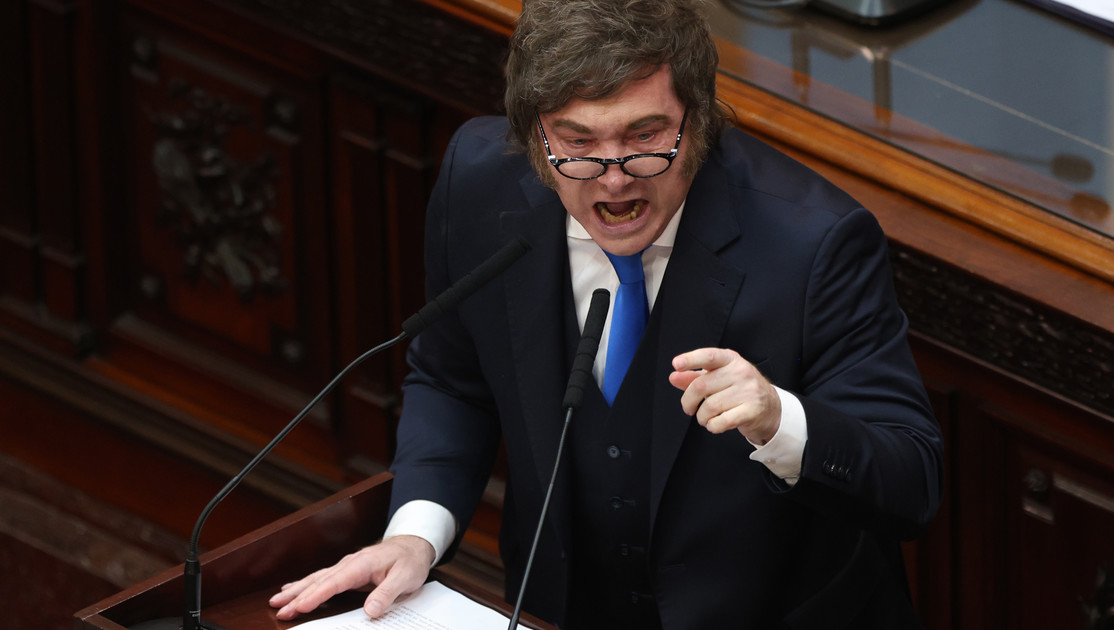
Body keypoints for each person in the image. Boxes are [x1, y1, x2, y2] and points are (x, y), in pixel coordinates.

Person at [270, 0, 943, 628]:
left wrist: (779, 420)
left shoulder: (813, 242)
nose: (614, 178)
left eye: (645, 136)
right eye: (577, 141)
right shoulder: (479, 182)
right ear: (534, 133)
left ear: (698, 119)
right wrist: (414, 535)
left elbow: (911, 479)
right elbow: (452, 381)